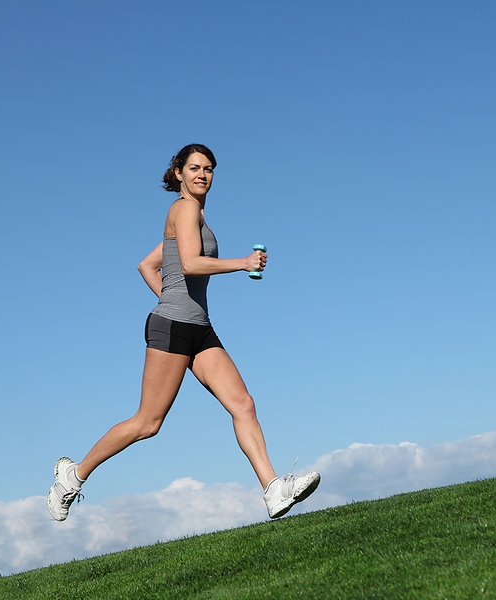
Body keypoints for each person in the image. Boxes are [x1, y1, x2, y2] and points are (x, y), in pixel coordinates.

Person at [47, 143, 319, 522]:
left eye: (209, 169)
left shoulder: (196, 217)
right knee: (148, 423)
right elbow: (190, 264)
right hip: (173, 326)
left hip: (199, 327)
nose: (202, 175)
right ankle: (71, 477)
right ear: (179, 172)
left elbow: (147, 264)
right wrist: (240, 264)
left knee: (243, 404)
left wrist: (171, 294)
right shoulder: (183, 208)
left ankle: (273, 489)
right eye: (194, 168)